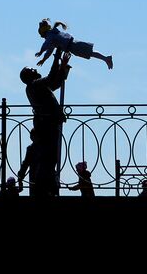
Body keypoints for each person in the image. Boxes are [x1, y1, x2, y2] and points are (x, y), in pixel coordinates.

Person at [20, 49, 71, 196]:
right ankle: (46, 184)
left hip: (46, 123)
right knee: (49, 155)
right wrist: (56, 57)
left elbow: (54, 84)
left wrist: (63, 67)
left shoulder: (35, 86)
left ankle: (48, 183)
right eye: (32, 70)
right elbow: (50, 79)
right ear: (29, 76)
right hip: (47, 124)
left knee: (51, 156)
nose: (35, 69)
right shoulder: (35, 85)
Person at [35, 18, 113, 69]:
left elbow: (46, 44)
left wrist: (41, 52)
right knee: (90, 53)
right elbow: (49, 50)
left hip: (72, 45)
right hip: (72, 46)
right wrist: (43, 59)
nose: (44, 38)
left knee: (90, 53)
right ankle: (106, 59)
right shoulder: (52, 36)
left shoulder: (50, 35)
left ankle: (106, 58)